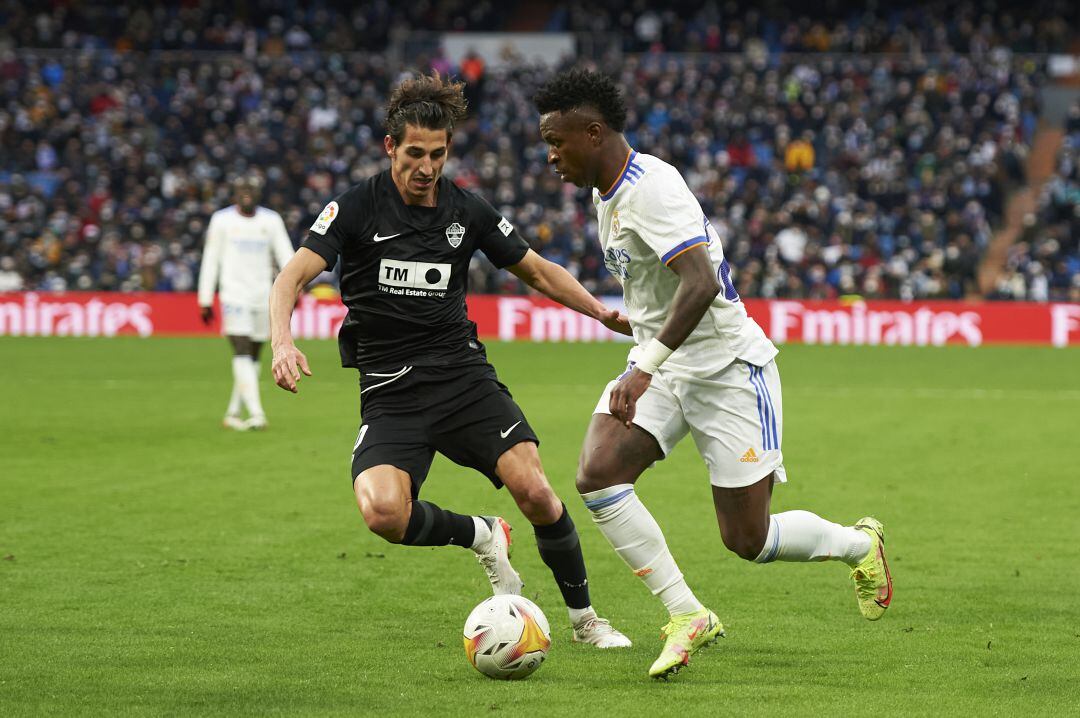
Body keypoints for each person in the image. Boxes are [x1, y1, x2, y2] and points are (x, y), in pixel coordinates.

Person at [533, 68, 893, 679]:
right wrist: (639, 325)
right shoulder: (606, 191)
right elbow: (665, 281)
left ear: (593, 133)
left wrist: (643, 365)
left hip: (727, 370)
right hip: (667, 365)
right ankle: (686, 613)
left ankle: (861, 545)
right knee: (597, 474)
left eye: (557, 142)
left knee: (747, 540)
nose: (550, 157)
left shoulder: (652, 188)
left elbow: (701, 282)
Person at [268, 73, 631, 648]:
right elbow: (292, 275)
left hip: (463, 379)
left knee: (536, 491)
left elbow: (536, 269)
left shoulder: (466, 209)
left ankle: (586, 621)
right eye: (414, 153)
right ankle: (482, 535)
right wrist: (282, 341)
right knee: (384, 513)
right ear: (391, 147)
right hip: (390, 391)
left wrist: (601, 312)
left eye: (438, 154)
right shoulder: (358, 207)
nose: (427, 167)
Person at [198, 175, 295, 431]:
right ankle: (257, 413)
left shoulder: (271, 221)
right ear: (233, 194)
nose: (247, 193)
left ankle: (232, 412)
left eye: (251, 189)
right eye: (242, 189)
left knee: (253, 356)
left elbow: (286, 254)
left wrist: (297, 285)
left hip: (264, 296)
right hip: (234, 296)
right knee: (241, 349)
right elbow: (211, 258)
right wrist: (205, 297)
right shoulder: (222, 221)